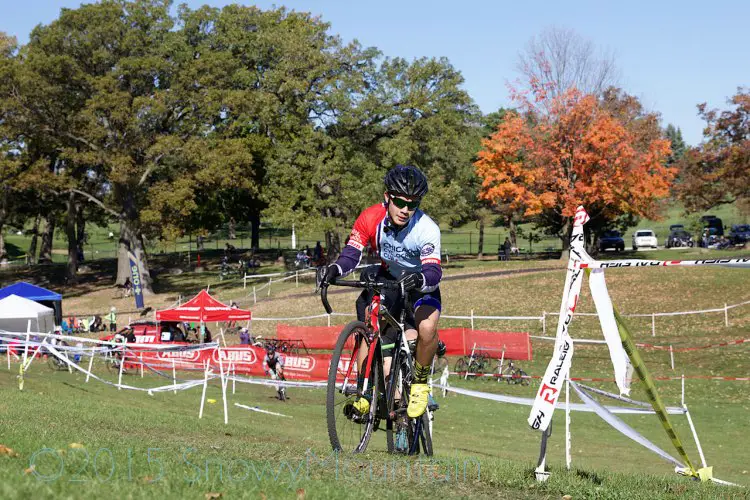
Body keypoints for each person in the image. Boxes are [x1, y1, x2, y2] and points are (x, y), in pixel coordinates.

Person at [320, 164, 442, 419]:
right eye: (399, 202)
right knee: (368, 324)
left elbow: (433, 272)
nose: (406, 210)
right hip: (389, 279)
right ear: (387, 197)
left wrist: (419, 278)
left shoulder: (427, 228)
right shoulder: (370, 217)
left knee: (427, 329)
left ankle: (419, 384)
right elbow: (352, 253)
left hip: (420, 284)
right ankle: (366, 392)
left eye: (413, 204)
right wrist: (335, 269)